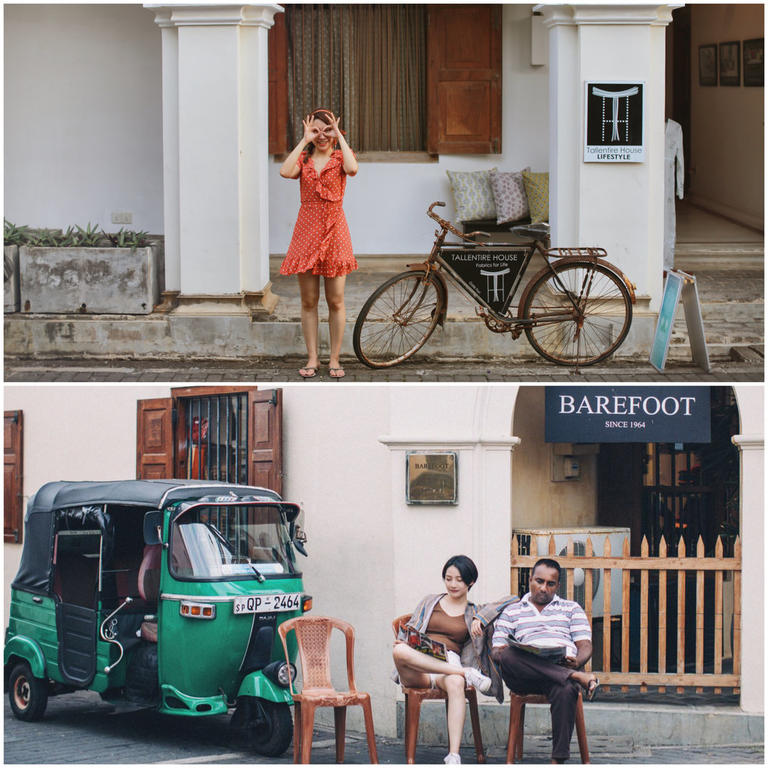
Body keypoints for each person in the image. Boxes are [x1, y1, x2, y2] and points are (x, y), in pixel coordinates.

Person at [392, 555, 517, 765]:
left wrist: (482, 617)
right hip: (419, 665)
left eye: (459, 580)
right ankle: (466, 674)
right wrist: (408, 640)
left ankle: (453, 755)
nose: (453, 584)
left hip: (448, 663)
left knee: (456, 683)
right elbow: (410, 630)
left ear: (470, 582)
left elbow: (513, 599)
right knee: (399, 652)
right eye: (448, 578)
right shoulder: (430, 601)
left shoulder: (473, 611)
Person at [491, 558, 599, 764]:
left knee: (567, 689)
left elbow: (585, 645)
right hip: (523, 676)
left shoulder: (571, 608)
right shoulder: (512, 611)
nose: (543, 588)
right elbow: (497, 651)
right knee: (508, 654)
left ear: (557, 586)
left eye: (550, 584)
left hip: (559, 669)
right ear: (530, 580)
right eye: (539, 581)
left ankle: (557, 760)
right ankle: (577, 677)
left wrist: (576, 662)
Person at [279, 108, 358, 379]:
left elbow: (352, 168)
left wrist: (340, 138)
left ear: (336, 132)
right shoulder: (304, 159)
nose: (321, 135)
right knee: (309, 300)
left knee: (336, 300)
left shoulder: (340, 157)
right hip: (307, 231)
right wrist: (304, 140)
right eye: (316, 130)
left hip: (335, 230)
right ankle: (312, 357)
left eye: (327, 130)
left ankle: (335, 359)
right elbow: (285, 172)